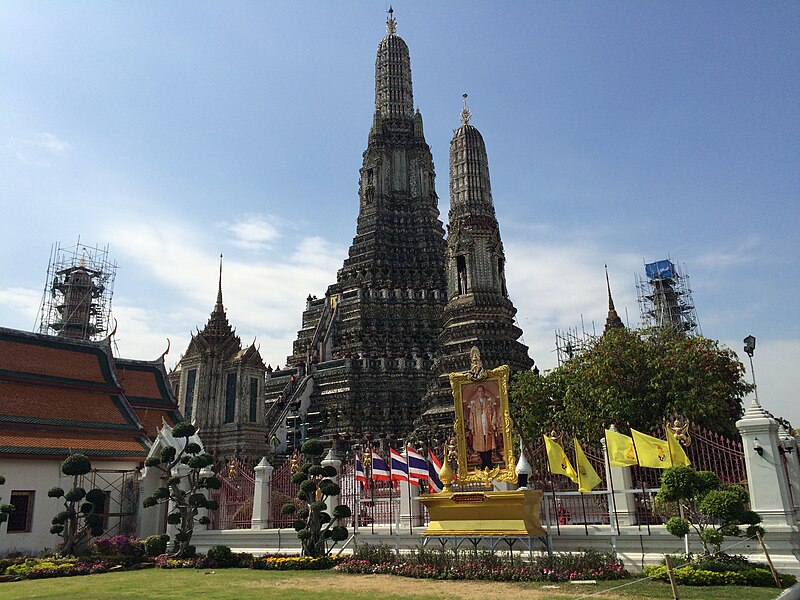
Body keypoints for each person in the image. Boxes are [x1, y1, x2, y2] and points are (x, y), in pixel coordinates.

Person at [466, 384, 499, 469]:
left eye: (482, 391)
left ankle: (489, 463)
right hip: (478, 427)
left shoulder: (488, 402)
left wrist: (493, 423)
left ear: (484, 392)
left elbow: (494, 413)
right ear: (477, 392)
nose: (480, 393)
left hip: (487, 426)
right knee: (480, 446)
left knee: (488, 445)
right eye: (479, 391)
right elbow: (471, 416)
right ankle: (484, 463)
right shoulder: (474, 404)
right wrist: (472, 427)